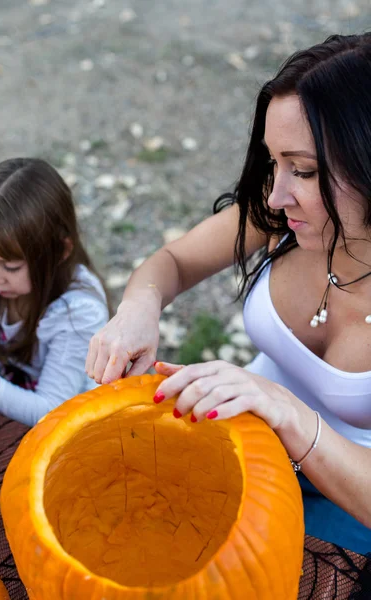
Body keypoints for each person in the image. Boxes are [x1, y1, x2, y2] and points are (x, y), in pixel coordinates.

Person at [85, 32, 371, 555]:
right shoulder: (284, 207)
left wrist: (285, 411)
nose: (278, 194)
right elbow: (173, 261)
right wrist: (138, 309)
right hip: (243, 446)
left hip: (350, 509)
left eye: (303, 170)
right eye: (273, 161)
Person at [0, 158, 109, 427]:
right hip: (11, 389)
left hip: (68, 423)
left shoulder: (79, 312)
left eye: (11, 267)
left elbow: (51, 412)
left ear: (60, 250)